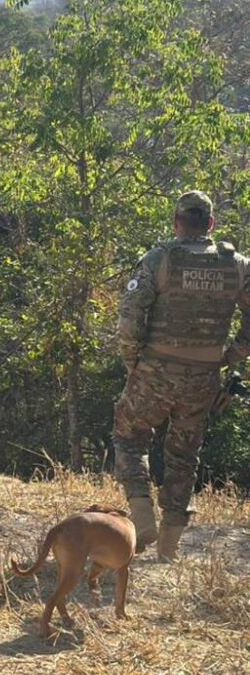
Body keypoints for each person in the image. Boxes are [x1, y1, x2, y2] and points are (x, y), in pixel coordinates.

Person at [113, 190, 250, 562]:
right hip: (203, 377)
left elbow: (129, 316)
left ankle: (142, 516)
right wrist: (231, 356)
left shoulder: (160, 259)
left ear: (176, 223)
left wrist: (133, 363)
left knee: (129, 436)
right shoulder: (236, 264)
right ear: (210, 224)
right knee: (183, 455)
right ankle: (169, 549)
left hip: (155, 370)